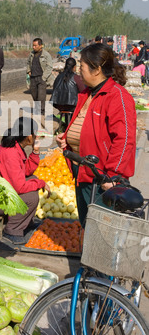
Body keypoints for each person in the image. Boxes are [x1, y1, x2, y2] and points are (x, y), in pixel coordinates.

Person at [56, 42, 136, 227]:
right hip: (82, 171)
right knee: (87, 223)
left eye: (82, 67)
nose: (79, 72)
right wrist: (67, 138)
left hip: (102, 178)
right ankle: (89, 254)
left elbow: (125, 141)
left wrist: (113, 176)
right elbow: (86, 124)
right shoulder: (87, 93)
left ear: (96, 69)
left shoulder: (117, 97)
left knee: (101, 228)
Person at [0, 117, 50, 245]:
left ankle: (25, 222)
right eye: (35, 135)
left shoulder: (16, 147)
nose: (36, 138)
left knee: (33, 179)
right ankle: (12, 230)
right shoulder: (11, 153)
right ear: (29, 137)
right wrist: (41, 184)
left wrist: (35, 151)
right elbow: (19, 188)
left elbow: (26, 172)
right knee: (31, 198)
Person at [51, 58, 85, 128]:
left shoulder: (58, 77)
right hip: (71, 106)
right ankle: (73, 126)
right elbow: (83, 91)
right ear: (74, 67)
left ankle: (66, 125)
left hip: (58, 104)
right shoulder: (76, 78)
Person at [26, 38, 53, 119]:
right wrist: (28, 71)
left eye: (35, 45)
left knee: (41, 95)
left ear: (40, 46)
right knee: (34, 94)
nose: (33, 47)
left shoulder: (46, 55)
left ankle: (41, 111)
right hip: (33, 78)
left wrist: (44, 77)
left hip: (42, 78)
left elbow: (49, 66)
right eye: (33, 45)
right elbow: (28, 63)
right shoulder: (31, 54)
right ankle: (38, 109)